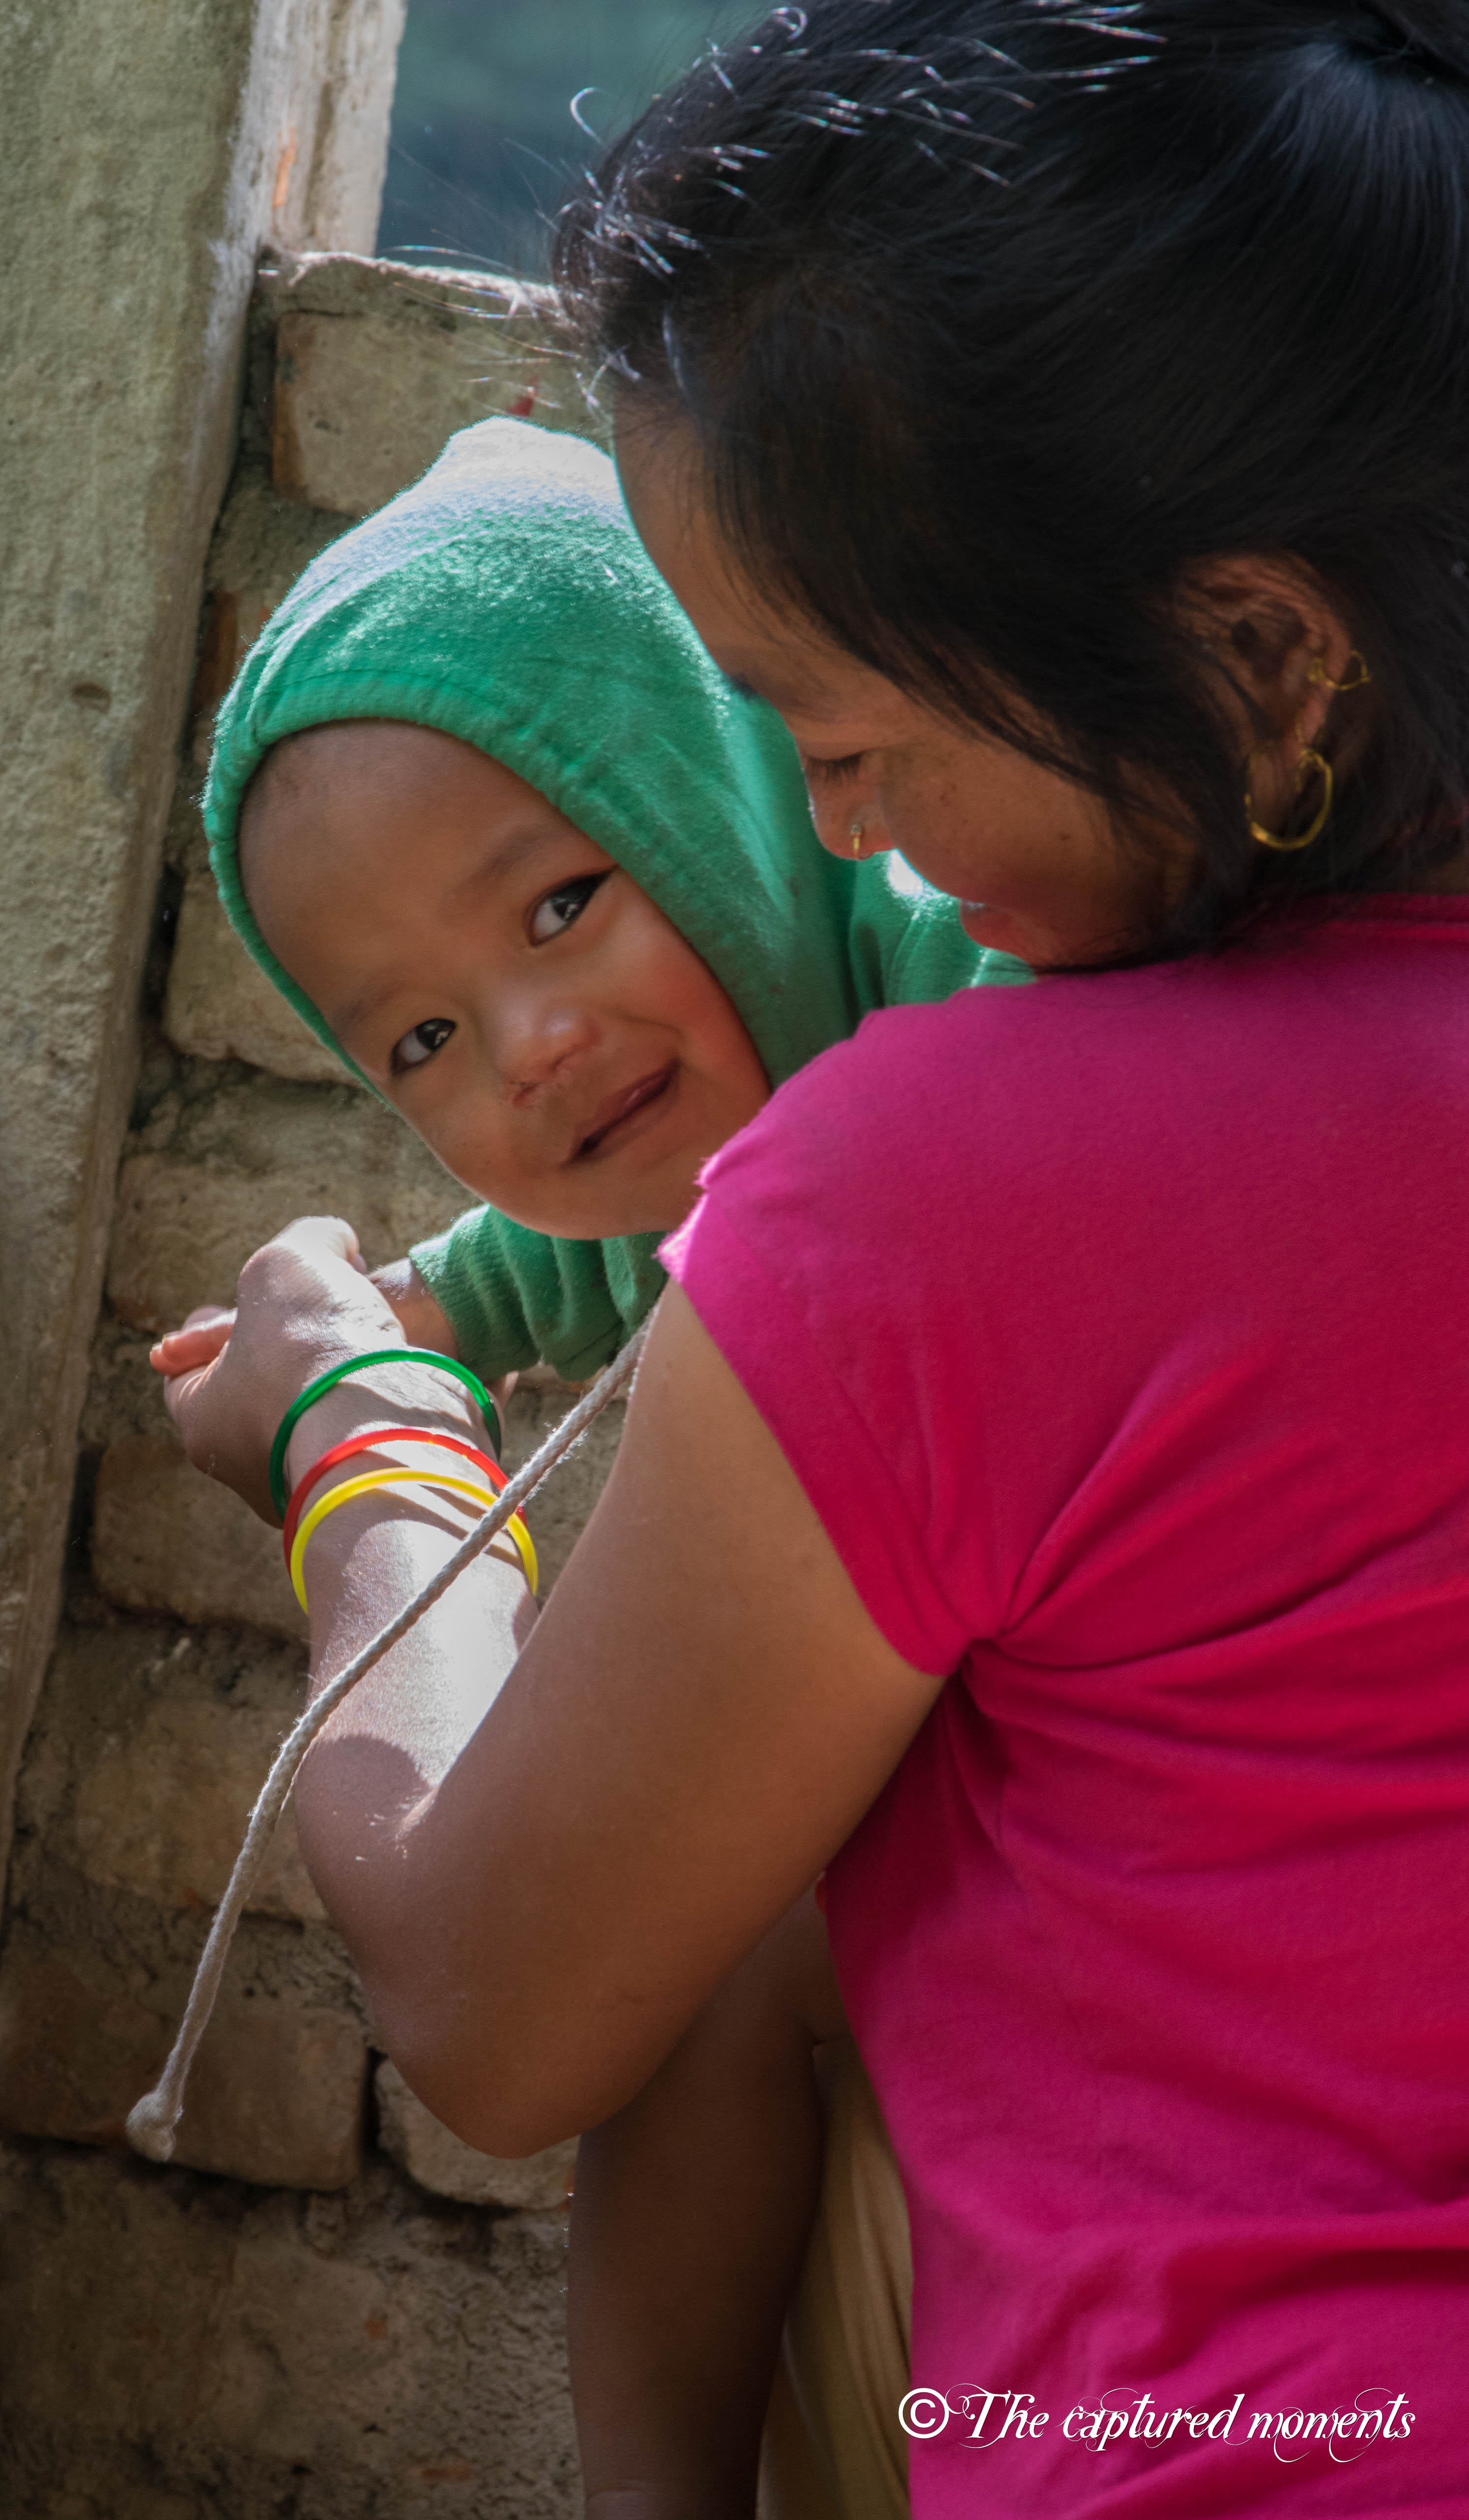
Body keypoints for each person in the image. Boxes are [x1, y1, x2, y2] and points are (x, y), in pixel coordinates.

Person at [159, 0, 1469, 2512]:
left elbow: (510, 2014)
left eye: (852, 729)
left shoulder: (957, 1170)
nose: (848, 825)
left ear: (1254, 654)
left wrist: (356, 1440)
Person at [152, 411, 1019, 2516]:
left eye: (560, 900)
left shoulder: (952, 1011)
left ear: (749, 786)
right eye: (419, 1040)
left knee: (701, 1942)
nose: (526, 1047)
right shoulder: (663, 1171)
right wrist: (368, 1333)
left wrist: (355, 1437)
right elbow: (505, 1281)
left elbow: (493, 2020)